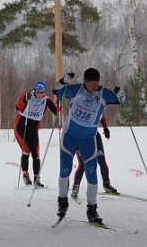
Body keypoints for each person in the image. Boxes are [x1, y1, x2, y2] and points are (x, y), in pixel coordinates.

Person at [52, 68, 125, 224]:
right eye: (90, 82)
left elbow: (121, 101)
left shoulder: (104, 94)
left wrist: (121, 93)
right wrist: (64, 79)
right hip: (69, 137)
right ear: (85, 81)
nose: (93, 85)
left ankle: (92, 210)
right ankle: (62, 202)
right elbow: (56, 90)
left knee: (92, 174)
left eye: (96, 82)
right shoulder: (76, 89)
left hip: (88, 140)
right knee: (65, 170)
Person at [14, 80, 59, 188]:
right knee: (26, 150)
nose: (39, 94)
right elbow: (18, 106)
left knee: (36, 153)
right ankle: (25, 175)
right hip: (21, 127)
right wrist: (25, 100)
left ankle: (36, 178)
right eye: (38, 92)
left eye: (41, 92)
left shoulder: (46, 100)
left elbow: (57, 111)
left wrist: (59, 102)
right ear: (35, 91)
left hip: (33, 129)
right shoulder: (27, 95)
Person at [71, 115, 117, 200]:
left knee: (102, 161)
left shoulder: (97, 106)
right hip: (81, 137)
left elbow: (102, 116)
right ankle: (75, 187)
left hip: (95, 136)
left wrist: (105, 128)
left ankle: (106, 184)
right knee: (82, 165)